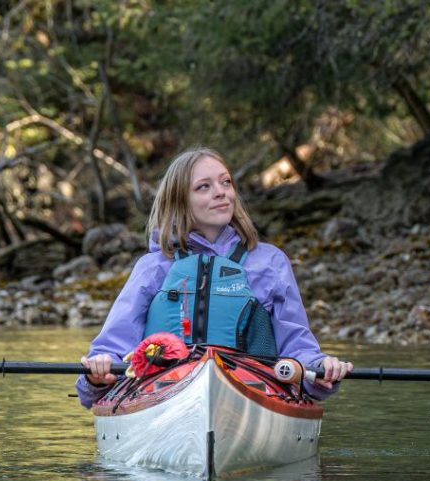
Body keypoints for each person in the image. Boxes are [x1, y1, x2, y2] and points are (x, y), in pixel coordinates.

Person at [76, 146, 352, 407]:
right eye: (203, 187)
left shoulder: (270, 262)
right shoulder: (153, 267)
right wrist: (98, 373)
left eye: (226, 182)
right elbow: (112, 348)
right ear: (180, 200)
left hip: (254, 391)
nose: (221, 193)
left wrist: (321, 370)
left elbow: (298, 347)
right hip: (160, 391)